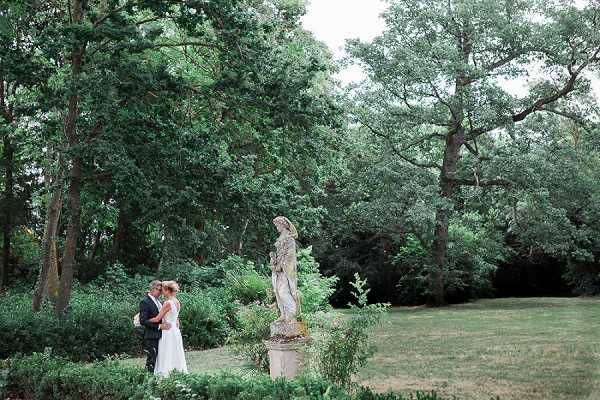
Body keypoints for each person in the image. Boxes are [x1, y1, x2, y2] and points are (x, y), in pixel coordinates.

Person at [149, 280, 188, 376]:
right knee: (175, 352)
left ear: (167, 290)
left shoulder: (168, 303)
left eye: (162, 290)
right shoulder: (177, 301)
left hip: (168, 331)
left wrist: (144, 320)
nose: (161, 292)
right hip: (175, 330)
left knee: (166, 352)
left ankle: (166, 373)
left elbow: (158, 318)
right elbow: (176, 317)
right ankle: (178, 372)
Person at [270, 216, 300, 322]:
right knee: (277, 291)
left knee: (283, 292)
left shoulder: (289, 238)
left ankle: (291, 314)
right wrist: (274, 260)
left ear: (283, 225)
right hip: (278, 270)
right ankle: (283, 314)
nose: (276, 227)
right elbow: (279, 255)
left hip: (285, 270)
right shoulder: (280, 238)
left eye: (277, 225)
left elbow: (290, 256)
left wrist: (281, 265)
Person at [139, 280, 172, 373]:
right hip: (151, 335)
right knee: (151, 360)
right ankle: (146, 380)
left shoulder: (160, 302)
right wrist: (159, 326)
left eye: (162, 290)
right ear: (152, 289)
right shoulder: (145, 302)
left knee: (160, 360)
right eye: (159, 290)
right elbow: (143, 321)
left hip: (163, 336)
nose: (161, 292)